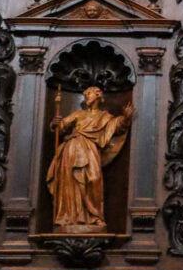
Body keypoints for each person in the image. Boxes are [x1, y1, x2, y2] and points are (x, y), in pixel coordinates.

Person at [46, 86, 133, 232]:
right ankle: (70, 216)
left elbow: (117, 126)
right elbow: (61, 127)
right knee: (71, 183)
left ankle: (94, 216)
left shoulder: (105, 117)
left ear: (98, 96)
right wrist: (55, 124)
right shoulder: (78, 114)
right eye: (85, 94)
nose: (86, 96)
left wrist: (126, 118)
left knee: (93, 179)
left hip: (90, 150)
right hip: (72, 149)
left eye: (89, 93)